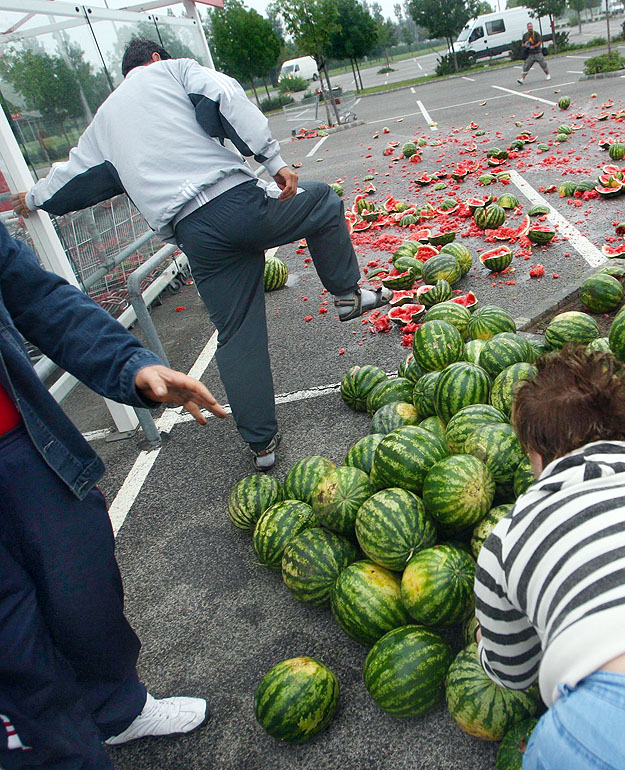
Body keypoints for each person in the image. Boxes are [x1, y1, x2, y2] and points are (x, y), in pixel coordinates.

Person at [12, 38, 391, 472]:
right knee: (322, 201)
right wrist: (273, 160)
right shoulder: (173, 71)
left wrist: (34, 198)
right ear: (155, 58)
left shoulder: (104, 122)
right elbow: (225, 97)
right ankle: (347, 294)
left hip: (194, 236)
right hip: (236, 203)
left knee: (237, 332)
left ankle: (262, 445)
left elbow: (72, 178)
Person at [0, 220, 228, 769]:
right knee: (17, 655)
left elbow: (37, 295)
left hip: (23, 443)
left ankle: (118, 710)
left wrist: (132, 364)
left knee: (84, 596)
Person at [473, 345, 625, 770]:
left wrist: (486, 645)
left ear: (536, 457)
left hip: (603, 717)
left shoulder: (506, 537)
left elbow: (513, 672)